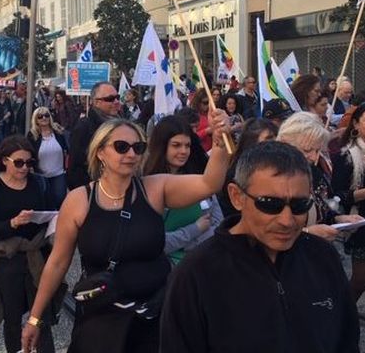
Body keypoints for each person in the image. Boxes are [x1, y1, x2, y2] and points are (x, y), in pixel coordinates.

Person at [21, 109, 230, 353]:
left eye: (137, 148)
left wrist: (219, 142)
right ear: (100, 152)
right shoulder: (78, 201)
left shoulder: (156, 188)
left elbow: (209, 183)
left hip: (154, 314)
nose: (131, 154)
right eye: (121, 147)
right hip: (101, 318)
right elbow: (57, 263)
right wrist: (35, 318)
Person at [160, 141, 360, 353]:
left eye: (299, 205)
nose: (286, 220)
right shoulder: (197, 272)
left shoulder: (322, 256)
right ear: (237, 197)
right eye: (270, 204)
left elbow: (346, 339)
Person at [0, 135, 59, 353]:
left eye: (29, 162)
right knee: (12, 318)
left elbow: (54, 211)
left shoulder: (40, 183)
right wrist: (13, 223)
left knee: (41, 316)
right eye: (19, 162)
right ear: (5, 160)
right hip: (9, 258)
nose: (25, 167)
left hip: (38, 254)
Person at [144, 116, 223, 265]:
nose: (183, 151)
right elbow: (155, 243)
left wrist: (189, 245)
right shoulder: (147, 185)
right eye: (176, 145)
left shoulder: (200, 180)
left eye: (187, 145)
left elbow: (218, 225)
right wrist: (194, 230)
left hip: (203, 263)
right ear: (162, 146)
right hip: (167, 272)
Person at [277, 112, 362, 242]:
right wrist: (307, 232)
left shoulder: (313, 172)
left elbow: (322, 208)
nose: (314, 157)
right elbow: (261, 228)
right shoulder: (269, 179)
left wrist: (338, 219)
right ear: (284, 144)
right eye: (306, 150)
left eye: (317, 151)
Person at [332, 102, 365, 302]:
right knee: (362, 281)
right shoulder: (347, 155)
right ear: (356, 125)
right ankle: (343, 315)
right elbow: (335, 196)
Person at [217, 118, 278, 218]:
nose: (276, 144)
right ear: (252, 142)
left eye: (277, 138)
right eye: (269, 139)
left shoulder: (279, 167)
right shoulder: (236, 175)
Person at [66, 82, 121, 189]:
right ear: (96, 102)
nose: (116, 102)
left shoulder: (121, 124)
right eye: (110, 99)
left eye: (117, 97)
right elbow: (76, 166)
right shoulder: (84, 127)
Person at [27, 107, 68, 209]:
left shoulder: (58, 133)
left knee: (59, 199)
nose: (44, 118)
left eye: (47, 115)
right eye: (40, 116)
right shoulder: (32, 135)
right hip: (40, 174)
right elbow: (29, 153)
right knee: (43, 201)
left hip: (58, 173)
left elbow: (67, 149)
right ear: (36, 119)